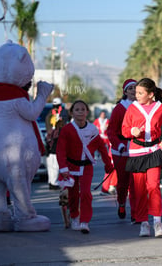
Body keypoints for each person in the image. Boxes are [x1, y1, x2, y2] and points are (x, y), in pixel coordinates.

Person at [121, 78, 162, 238]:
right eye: (136, 92)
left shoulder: (160, 108)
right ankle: (143, 223)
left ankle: (157, 222)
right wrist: (131, 132)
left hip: (154, 150)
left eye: (140, 93)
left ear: (151, 94)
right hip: (137, 152)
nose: (136, 95)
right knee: (139, 190)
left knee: (153, 186)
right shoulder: (132, 108)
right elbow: (124, 129)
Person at [56, 100, 114, 234]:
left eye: (83, 109)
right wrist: (63, 168)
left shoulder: (93, 129)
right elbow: (61, 150)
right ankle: (75, 217)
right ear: (72, 113)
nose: (80, 112)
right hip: (71, 167)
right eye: (77, 109)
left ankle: (84, 221)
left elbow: (101, 148)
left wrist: (108, 164)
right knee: (73, 194)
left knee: (86, 193)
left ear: (87, 112)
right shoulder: (67, 130)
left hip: (87, 167)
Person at [107, 79, 138, 224]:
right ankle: (121, 203)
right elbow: (111, 131)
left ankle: (135, 211)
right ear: (125, 91)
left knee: (136, 182)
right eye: (130, 88)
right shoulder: (119, 109)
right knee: (123, 182)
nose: (133, 90)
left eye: (135, 88)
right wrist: (119, 145)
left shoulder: (141, 107)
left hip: (137, 148)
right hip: (121, 150)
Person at [45, 97, 69, 190]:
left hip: (50, 141)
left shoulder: (50, 114)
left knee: (51, 162)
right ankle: (53, 182)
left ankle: (52, 182)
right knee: (53, 162)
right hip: (55, 141)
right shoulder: (61, 114)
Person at [94, 110, 117, 195]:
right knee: (111, 169)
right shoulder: (111, 125)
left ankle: (112, 185)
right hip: (113, 151)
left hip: (116, 149)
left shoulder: (109, 122)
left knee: (117, 170)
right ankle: (106, 188)